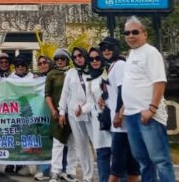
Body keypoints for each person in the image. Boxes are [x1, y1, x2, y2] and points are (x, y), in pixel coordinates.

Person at [121, 17, 176, 182]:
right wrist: (124, 108)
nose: (131, 35)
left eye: (135, 32)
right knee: (143, 161)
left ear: (144, 34)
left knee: (160, 160)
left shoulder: (151, 52)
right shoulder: (131, 54)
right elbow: (133, 84)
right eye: (127, 33)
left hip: (148, 115)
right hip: (131, 115)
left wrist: (152, 108)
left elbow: (159, 82)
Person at [100, 36, 140, 182]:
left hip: (122, 124)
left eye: (110, 47)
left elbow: (123, 90)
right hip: (123, 124)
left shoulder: (120, 65)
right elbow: (111, 90)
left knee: (116, 166)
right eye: (103, 48)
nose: (106, 50)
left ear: (116, 48)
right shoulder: (112, 66)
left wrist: (117, 114)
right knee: (131, 166)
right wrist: (103, 96)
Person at [59, 47, 94, 182]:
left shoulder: (93, 71)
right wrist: (62, 112)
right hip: (75, 115)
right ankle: (88, 177)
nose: (78, 58)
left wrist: (84, 108)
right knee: (82, 146)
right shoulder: (71, 73)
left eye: (80, 55)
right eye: (75, 57)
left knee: (98, 145)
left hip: (91, 114)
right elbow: (65, 93)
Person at [45, 48, 78, 182]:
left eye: (62, 58)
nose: (59, 61)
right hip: (58, 113)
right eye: (57, 58)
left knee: (73, 143)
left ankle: (70, 172)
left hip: (74, 113)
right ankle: (55, 172)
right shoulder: (52, 74)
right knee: (58, 143)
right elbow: (47, 94)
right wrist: (53, 110)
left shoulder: (74, 72)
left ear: (67, 60)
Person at [82, 47, 112, 182]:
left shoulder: (109, 74)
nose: (94, 61)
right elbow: (90, 103)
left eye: (97, 58)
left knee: (117, 154)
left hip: (112, 119)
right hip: (98, 121)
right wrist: (81, 110)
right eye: (91, 59)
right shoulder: (90, 80)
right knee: (101, 153)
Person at [8, 55, 34, 176]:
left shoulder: (33, 78)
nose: (19, 67)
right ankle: (10, 161)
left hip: (27, 111)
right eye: (17, 65)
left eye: (22, 65)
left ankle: (21, 162)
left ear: (26, 67)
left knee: (25, 136)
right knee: (13, 136)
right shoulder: (9, 78)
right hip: (13, 112)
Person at [34, 55, 53, 182]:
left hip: (53, 113)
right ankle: (42, 169)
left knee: (52, 143)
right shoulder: (35, 79)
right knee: (40, 142)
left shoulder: (55, 76)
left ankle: (47, 170)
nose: (42, 65)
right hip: (40, 115)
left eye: (44, 62)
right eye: (39, 63)